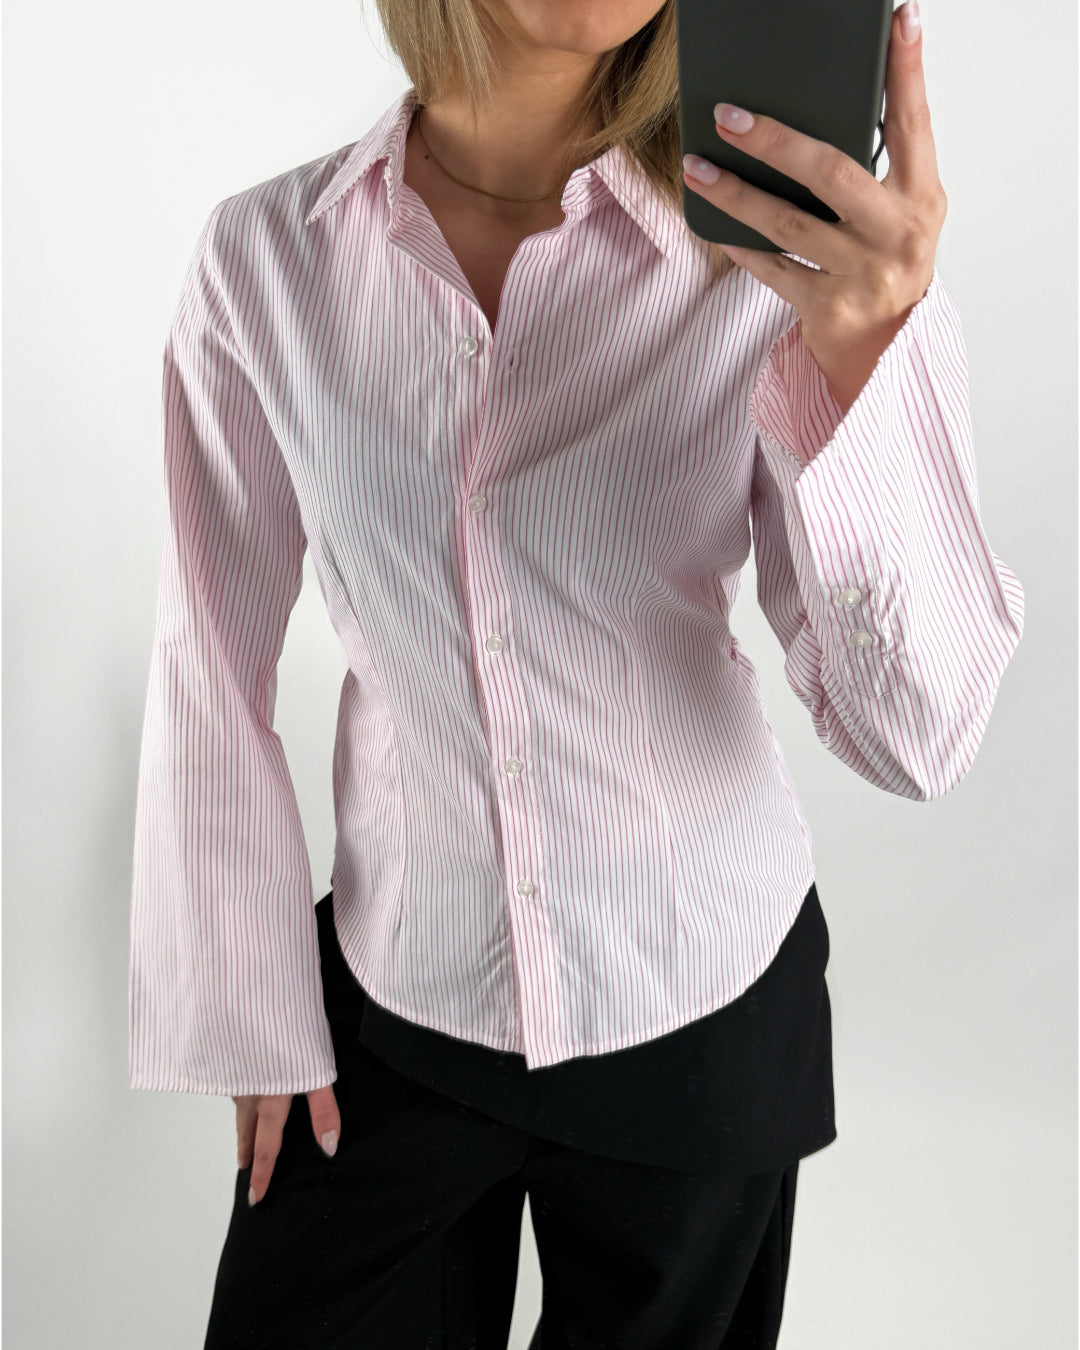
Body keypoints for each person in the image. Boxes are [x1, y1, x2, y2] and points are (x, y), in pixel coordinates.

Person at [128, 0, 1024, 1345]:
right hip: (401, 993)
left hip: (701, 988)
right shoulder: (266, 263)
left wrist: (872, 363)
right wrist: (252, 1007)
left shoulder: (781, 264)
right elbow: (210, 648)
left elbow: (921, 738)